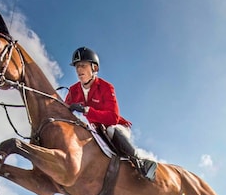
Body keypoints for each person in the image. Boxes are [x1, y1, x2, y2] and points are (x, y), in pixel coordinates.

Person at [65, 47, 157, 182]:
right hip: (95, 129)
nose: (79, 70)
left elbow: (113, 118)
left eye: (83, 66)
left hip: (116, 127)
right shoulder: (73, 90)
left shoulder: (106, 87)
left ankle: (140, 162)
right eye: (77, 67)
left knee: (110, 129)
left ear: (94, 68)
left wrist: (87, 110)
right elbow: (64, 108)